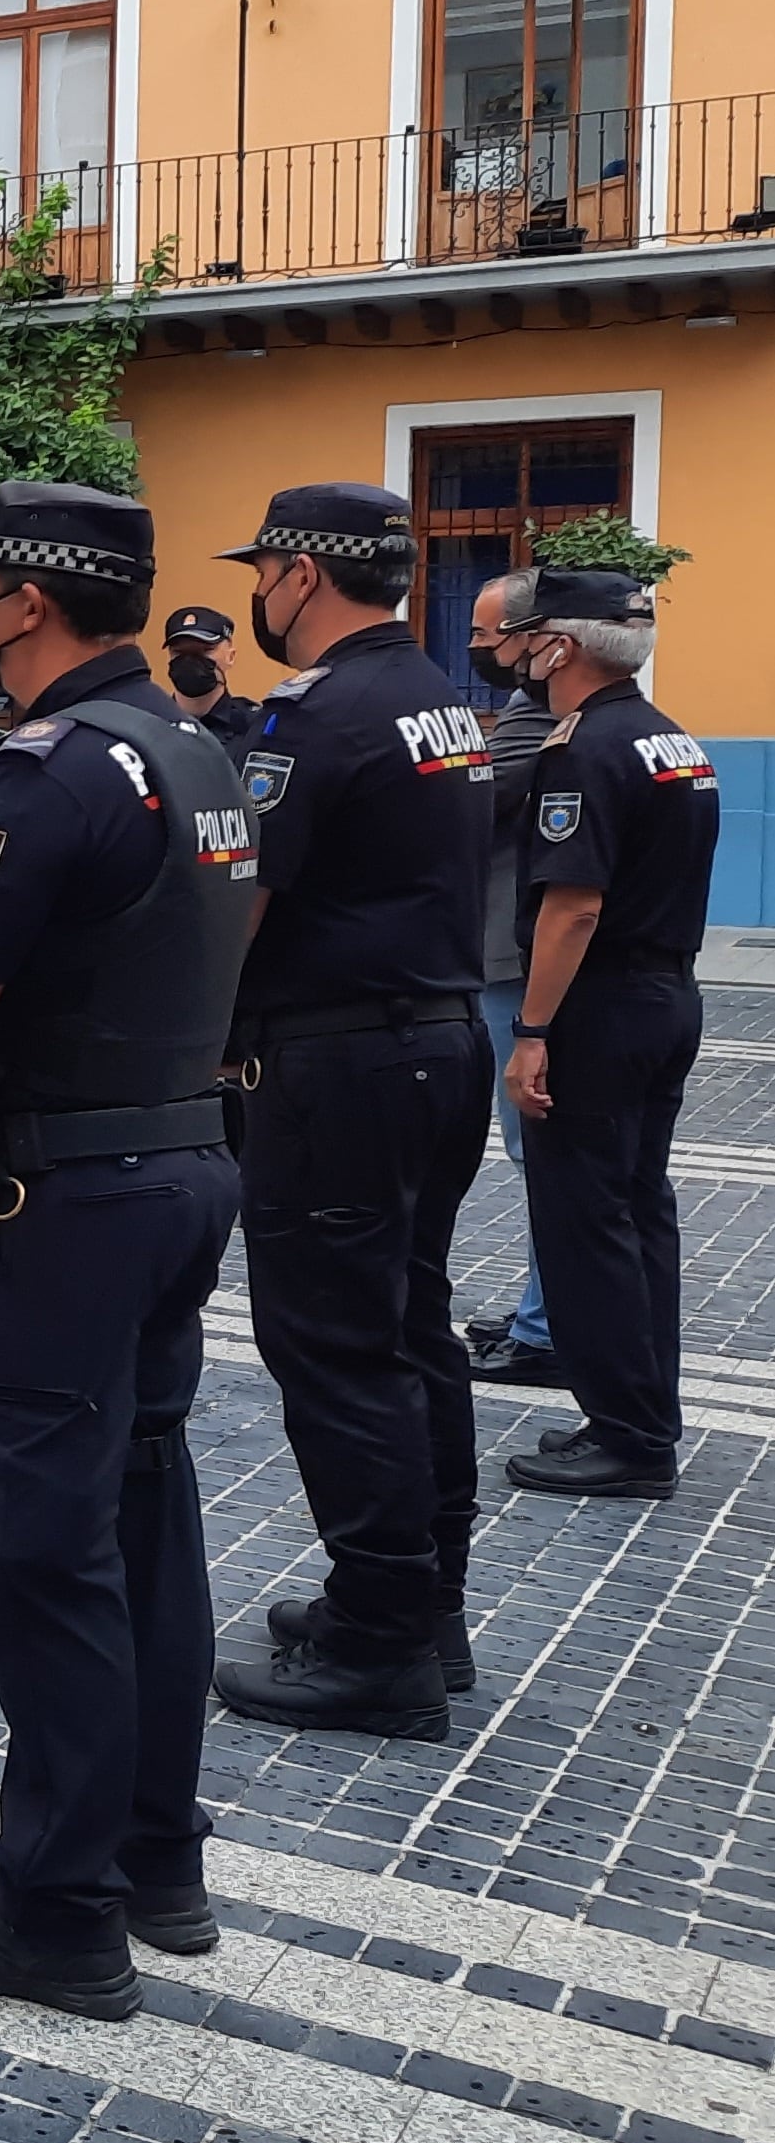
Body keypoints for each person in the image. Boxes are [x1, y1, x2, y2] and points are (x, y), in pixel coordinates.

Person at [0, 482, 254, 2018]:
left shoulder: (43, 774)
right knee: (147, 1507)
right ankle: (157, 1853)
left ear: (27, 599)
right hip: (179, 1162)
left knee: (42, 1543)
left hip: (65, 1202)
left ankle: (58, 1903)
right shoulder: (195, 748)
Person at [203, 482, 495, 1743]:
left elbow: (244, 909)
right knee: (412, 1326)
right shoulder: (440, 697)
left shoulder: (315, 718)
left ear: (302, 576)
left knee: (336, 1346)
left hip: (337, 1066)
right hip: (438, 1043)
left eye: (264, 573)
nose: (261, 595)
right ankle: (423, 1602)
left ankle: (380, 1644)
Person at [497, 567, 718, 1500]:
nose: (513, 651)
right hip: (665, 996)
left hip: (598, 1009)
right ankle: (637, 1415)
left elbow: (572, 909)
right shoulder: (670, 740)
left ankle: (627, 1438)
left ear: (561, 644)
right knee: (636, 1214)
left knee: (585, 1222)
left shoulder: (582, 751)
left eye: (525, 634)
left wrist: (531, 1028)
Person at [466, 572, 562, 1384]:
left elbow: (474, 797)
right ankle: (543, 1306)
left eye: (489, 637)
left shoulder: (537, 716)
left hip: (514, 957)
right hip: (510, 953)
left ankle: (545, 1326)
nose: (476, 651)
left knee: (540, 1153)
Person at [161, 604, 262, 751]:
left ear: (230, 657)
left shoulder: (254, 727)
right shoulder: (151, 725)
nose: (190, 661)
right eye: (179, 652)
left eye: (205, 650)